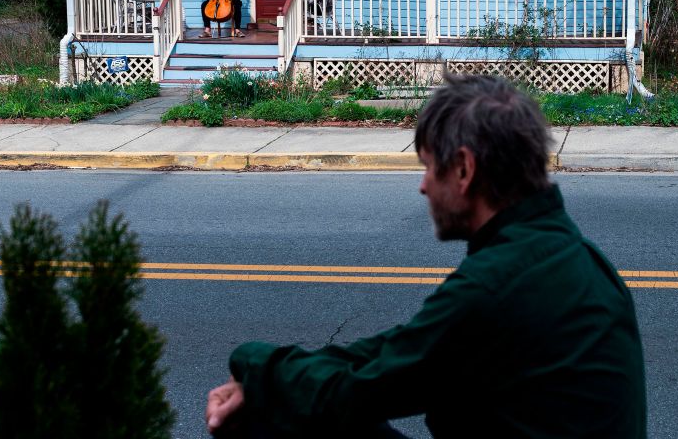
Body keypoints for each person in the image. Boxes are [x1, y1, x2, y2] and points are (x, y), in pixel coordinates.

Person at [206, 74, 647, 439]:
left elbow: (364, 388)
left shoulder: (496, 284)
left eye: (426, 165)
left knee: (280, 413)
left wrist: (256, 367)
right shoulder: (581, 258)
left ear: (462, 169)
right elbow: (398, 350)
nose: (421, 186)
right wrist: (273, 378)